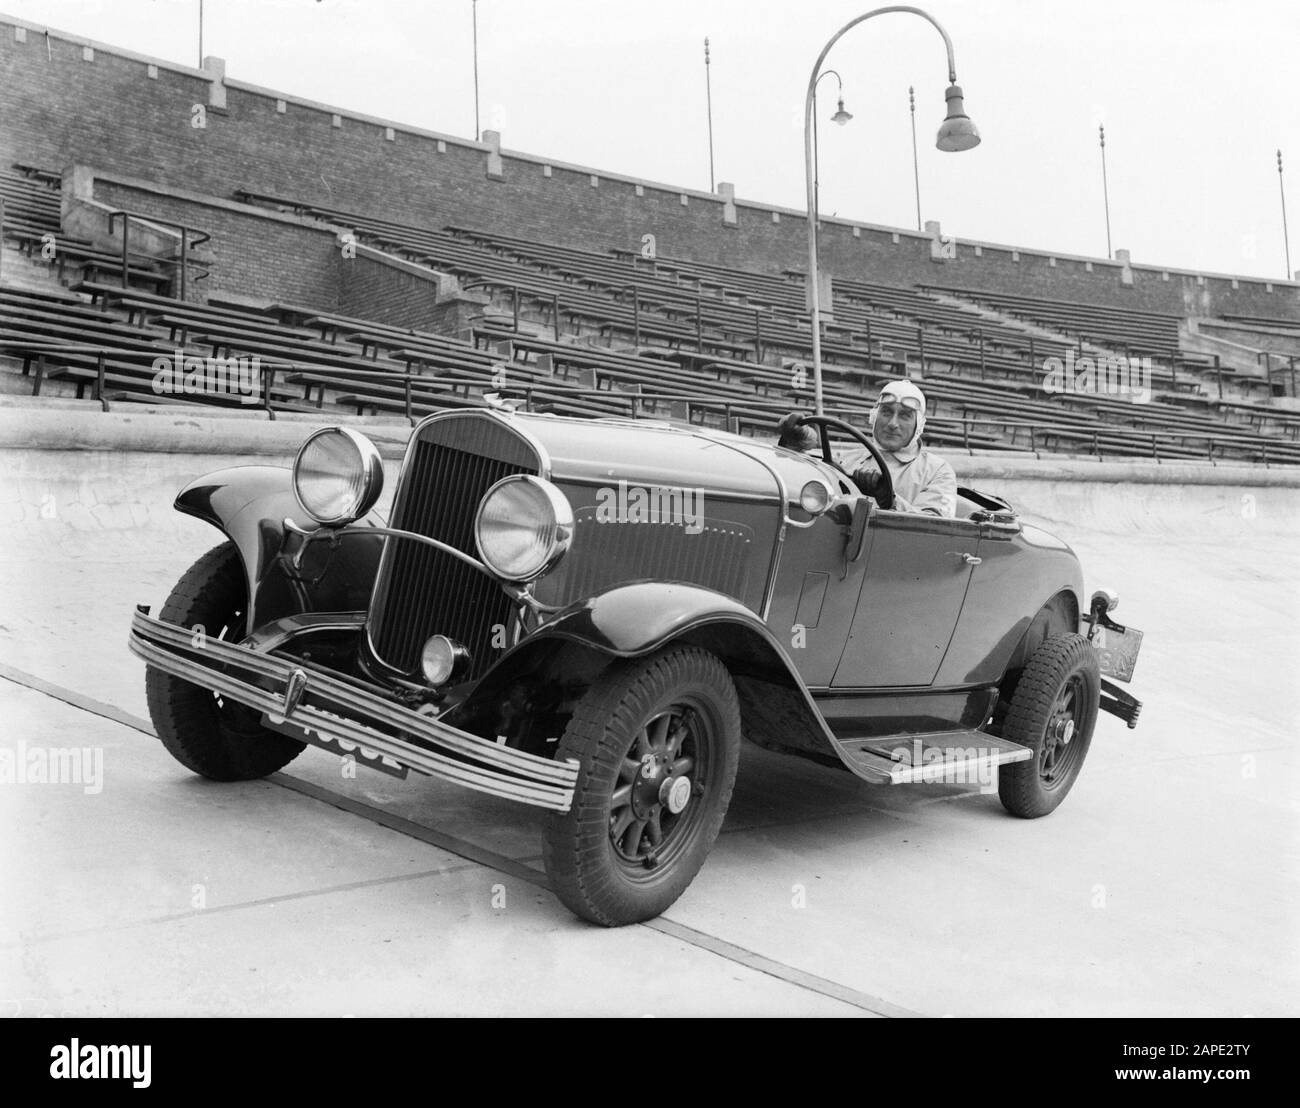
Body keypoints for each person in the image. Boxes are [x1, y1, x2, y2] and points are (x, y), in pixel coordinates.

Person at [776, 379, 958, 518]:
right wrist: (796, 445)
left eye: (905, 416)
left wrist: (890, 500)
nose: (893, 424)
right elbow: (807, 493)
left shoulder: (938, 471)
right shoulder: (845, 460)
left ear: (919, 425)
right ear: (873, 416)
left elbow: (935, 527)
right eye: (886, 412)